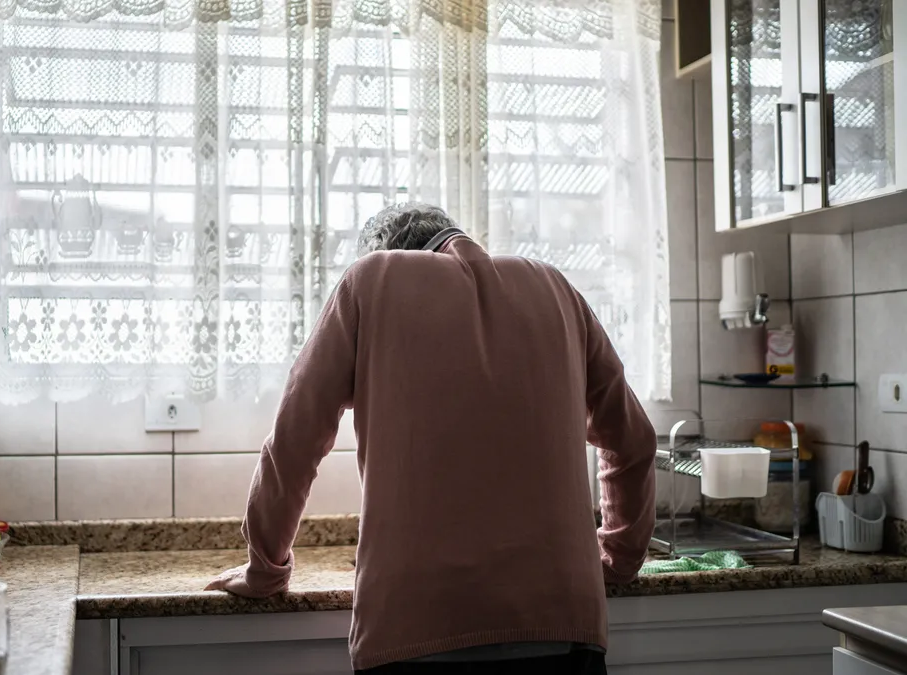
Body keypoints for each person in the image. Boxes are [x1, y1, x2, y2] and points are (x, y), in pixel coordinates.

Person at [205, 203, 657, 674]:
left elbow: (295, 438)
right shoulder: (556, 287)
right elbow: (634, 441)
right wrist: (618, 560)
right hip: (563, 627)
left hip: (414, 630)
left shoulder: (370, 280)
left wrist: (266, 566)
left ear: (392, 252)